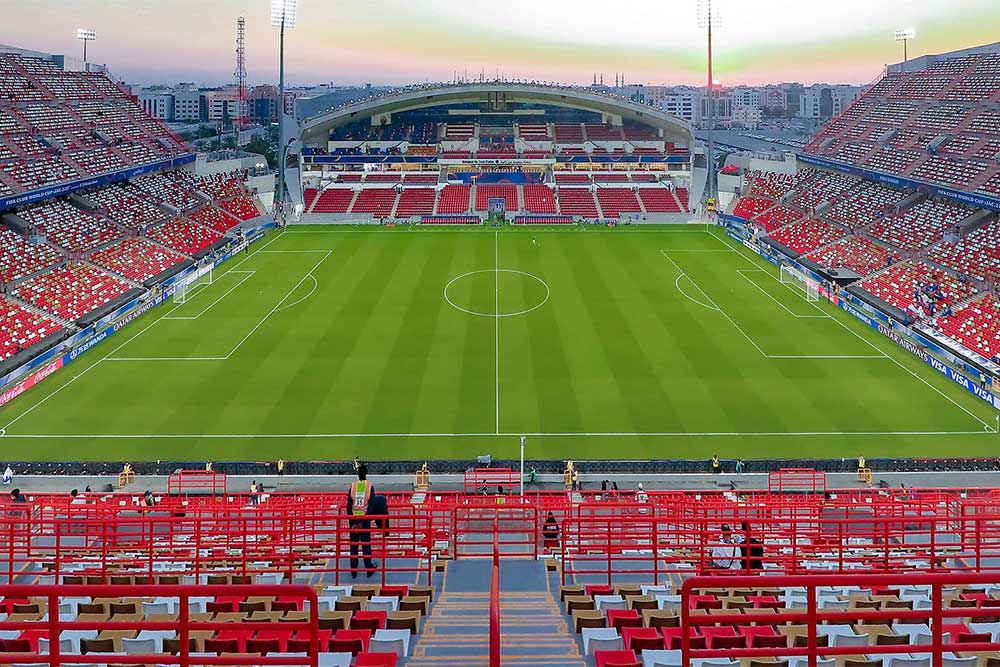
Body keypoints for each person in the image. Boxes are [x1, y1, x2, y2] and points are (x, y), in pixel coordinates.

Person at [346, 464, 376, 578]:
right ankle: (368, 568)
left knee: (354, 546)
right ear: (366, 474)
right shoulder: (369, 486)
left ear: (358, 475)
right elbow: (371, 505)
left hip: (353, 519)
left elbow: (348, 504)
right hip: (364, 519)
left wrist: (352, 521)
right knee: (366, 545)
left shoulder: (353, 486)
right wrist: (364, 520)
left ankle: (353, 570)